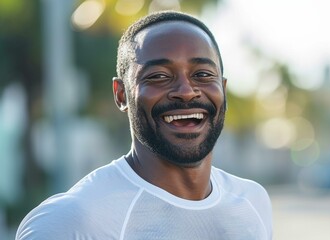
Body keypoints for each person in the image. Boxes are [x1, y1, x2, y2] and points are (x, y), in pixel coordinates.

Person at [16, 10, 272, 239]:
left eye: (202, 75)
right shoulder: (71, 222)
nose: (186, 91)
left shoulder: (252, 202)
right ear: (121, 94)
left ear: (223, 89)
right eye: (159, 76)